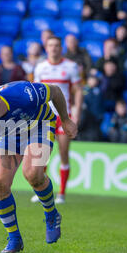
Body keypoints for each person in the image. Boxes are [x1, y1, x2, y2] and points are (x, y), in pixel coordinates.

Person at [0, 78, 77, 253]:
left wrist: (66, 119)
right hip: (8, 136)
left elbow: (54, 91)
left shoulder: (24, 93)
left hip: (39, 126)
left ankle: (52, 214)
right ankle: (15, 239)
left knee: (32, 173)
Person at [32, 36, 83, 204]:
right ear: (46, 48)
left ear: (61, 48)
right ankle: (41, 192)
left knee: (63, 153)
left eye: (56, 45)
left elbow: (78, 91)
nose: (53, 48)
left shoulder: (70, 66)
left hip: (64, 116)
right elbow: (36, 92)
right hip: (45, 116)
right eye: (50, 45)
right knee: (43, 155)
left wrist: (76, 113)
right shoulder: (40, 67)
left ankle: (61, 193)